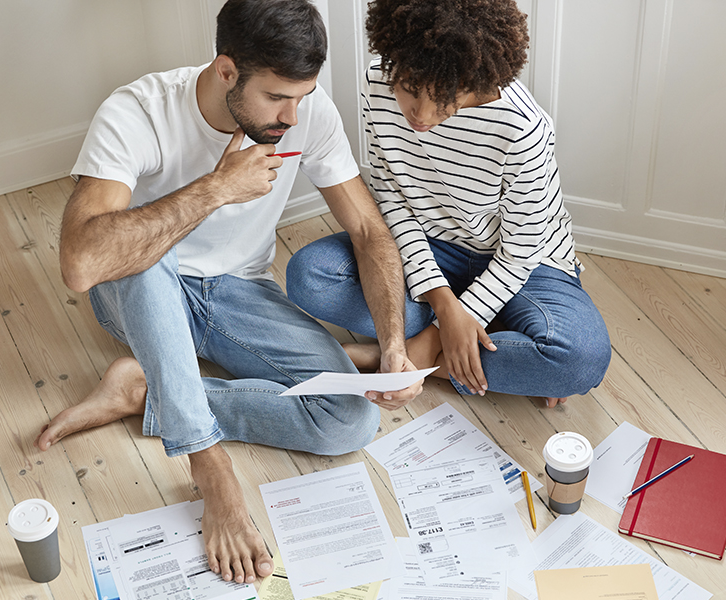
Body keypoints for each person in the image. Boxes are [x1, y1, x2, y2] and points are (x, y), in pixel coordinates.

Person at [33, 0, 422, 585]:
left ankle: (144, 392)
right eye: (276, 97)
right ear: (225, 71)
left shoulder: (306, 113)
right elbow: (81, 263)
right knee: (141, 250)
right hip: (139, 288)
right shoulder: (138, 110)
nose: (292, 115)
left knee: (349, 422)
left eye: (303, 94)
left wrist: (392, 344)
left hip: (239, 292)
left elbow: (368, 232)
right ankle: (209, 465)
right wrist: (215, 189)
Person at [287, 0, 611, 408]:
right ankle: (483, 342)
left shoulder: (522, 127)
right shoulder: (377, 85)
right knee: (309, 276)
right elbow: (392, 201)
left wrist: (435, 335)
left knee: (579, 360)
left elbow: (522, 249)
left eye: (442, 97)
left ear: (473, 78)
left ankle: (405, 356)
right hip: (432, 249)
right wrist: (442, 300)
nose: (419, 114)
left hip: (526, 265)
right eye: (407, 88)